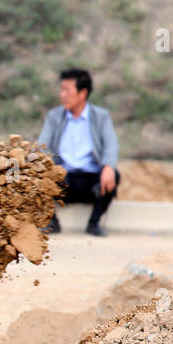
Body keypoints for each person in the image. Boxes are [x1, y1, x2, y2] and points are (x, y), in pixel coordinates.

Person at [35, 68, 120, 236]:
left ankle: (94, 223)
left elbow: (111, 144)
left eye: (66, 90)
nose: (62, 95)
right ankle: (52, 222)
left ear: (82, 93)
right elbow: (41, 147)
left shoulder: (101, 116)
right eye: (61, 90)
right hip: (63, 178)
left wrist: (108, 166)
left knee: (114, 175)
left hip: (91, 179)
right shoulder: (54, 116)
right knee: (37, 172)